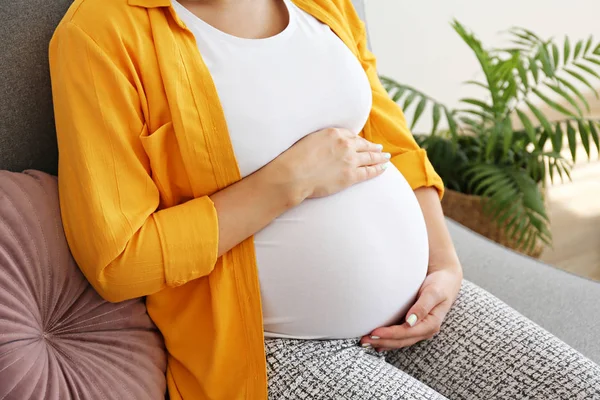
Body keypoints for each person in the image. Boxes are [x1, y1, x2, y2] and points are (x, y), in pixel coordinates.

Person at [49, 0, 600, 398]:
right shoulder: (101, 32)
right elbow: (119, 261)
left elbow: (393, 141)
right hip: (274, 347)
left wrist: (444, 264)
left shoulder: (321, 3)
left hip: (421, 305)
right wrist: (285, 182)